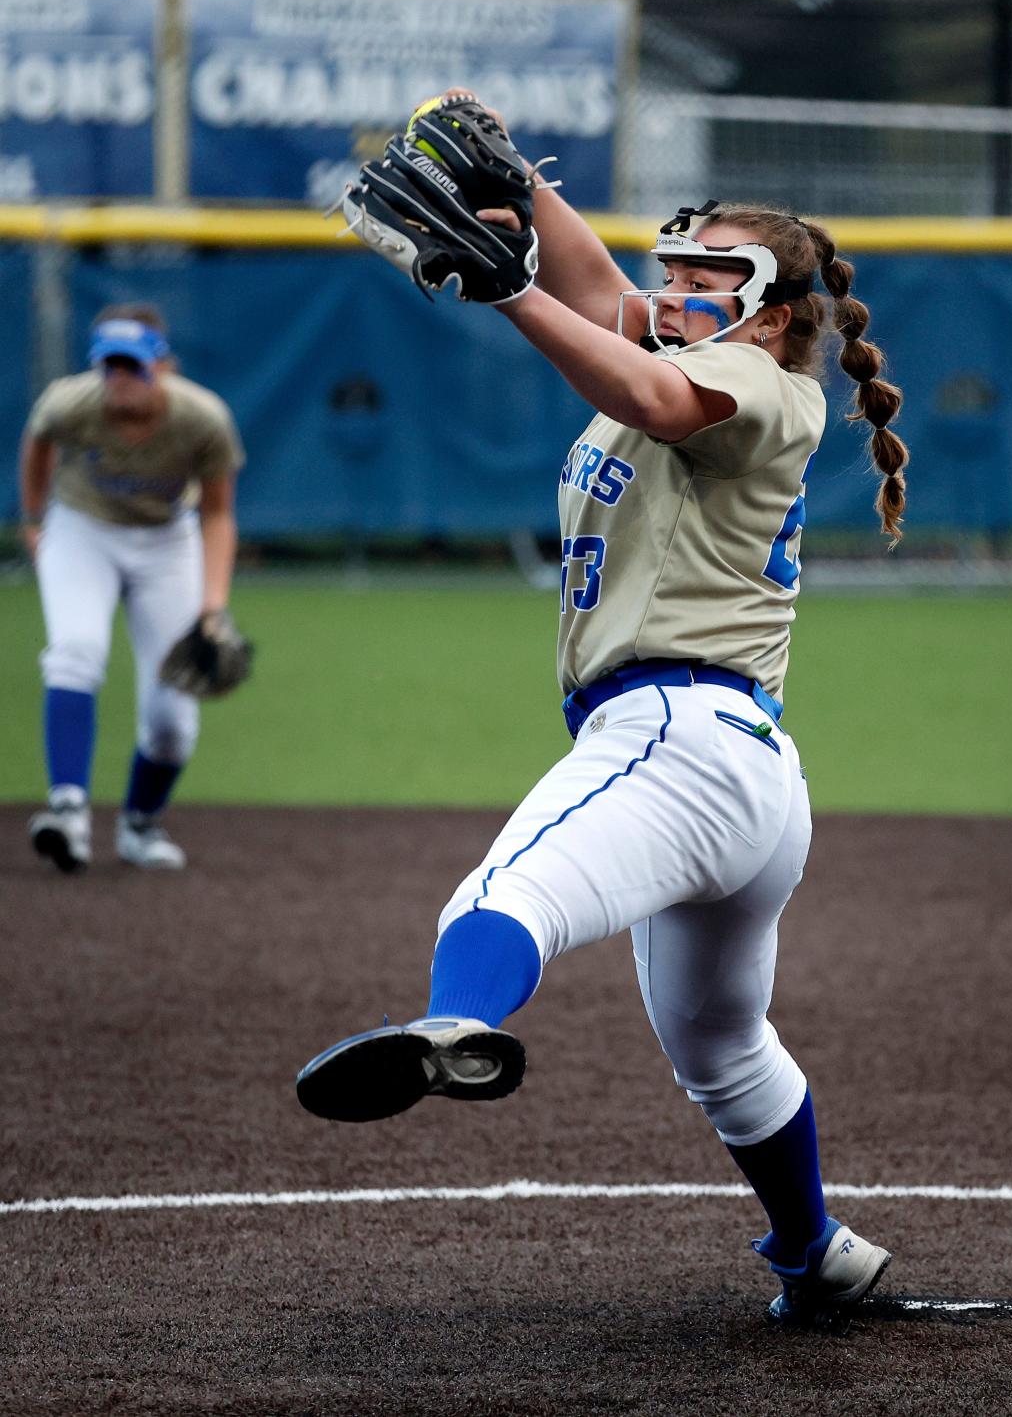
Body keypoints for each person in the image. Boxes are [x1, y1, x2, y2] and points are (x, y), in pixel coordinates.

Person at [297, 102, 909, 1328]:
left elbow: (648, 390)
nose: (675, 286)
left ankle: (460, 1024)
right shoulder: (691, 342)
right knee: (724, 1049)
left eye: (707, 275)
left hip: (674, 736)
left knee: (494, 897)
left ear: (776, 312)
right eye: (674, 264)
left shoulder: (761, 383)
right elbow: (602, 298)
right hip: (742, 774)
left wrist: (514, 293)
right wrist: (525, 185)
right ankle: (816, 1250)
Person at [19, 303, 245, 872]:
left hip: (167, 542)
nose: (119, 378)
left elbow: (218, 514)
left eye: (133, 366)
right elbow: (37, 444)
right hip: (82, 530)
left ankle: (140, 825)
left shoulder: (202, 418)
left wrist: (212, 607)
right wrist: (33, 519)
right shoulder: (70, 400)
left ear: (163, 366)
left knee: (172, 719)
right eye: (110, 365)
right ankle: (68, 812)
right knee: (75, 653)